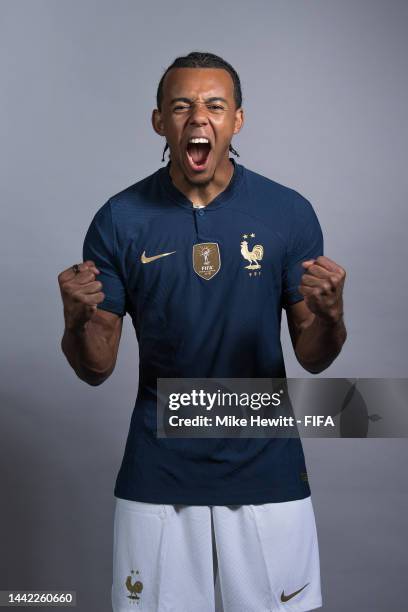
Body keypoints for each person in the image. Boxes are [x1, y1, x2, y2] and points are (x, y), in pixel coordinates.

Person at [58, 51, 347, 612]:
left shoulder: (287, 212)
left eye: (214, 105)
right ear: (159, 120)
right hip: (158, 470)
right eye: (182, 105)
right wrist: (74, 323)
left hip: (267, 469)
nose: (198, 117)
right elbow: (96, 367)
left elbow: (313, 357)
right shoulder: (121, 218)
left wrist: (332, 316)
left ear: (237, 119)